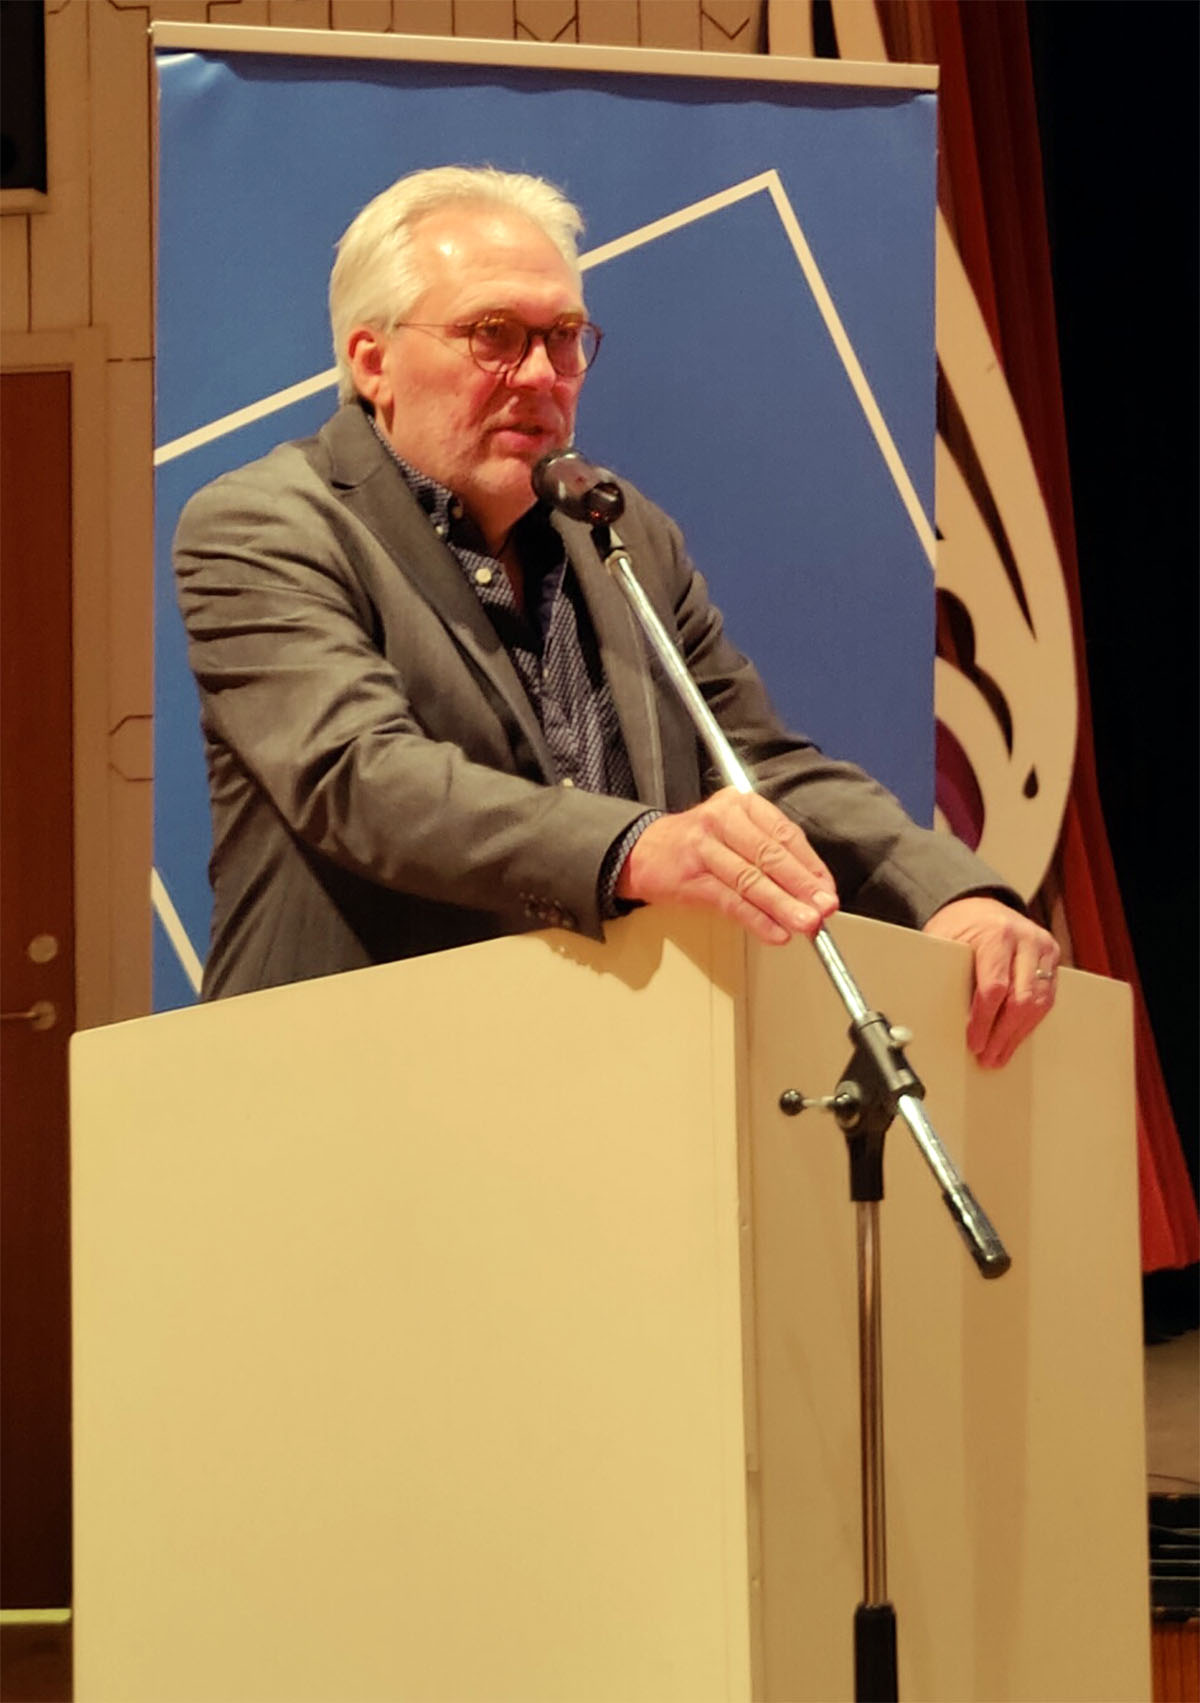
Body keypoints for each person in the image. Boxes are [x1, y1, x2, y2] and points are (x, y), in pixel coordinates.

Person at [173, 165, 1059, 1066]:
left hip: (599, 1069)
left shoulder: (618, 529)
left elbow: (753, 764)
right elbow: (359, 776)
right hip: (338, 1075)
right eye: (493, 335)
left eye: (563, 338)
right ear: (373, 361)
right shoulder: (266, 524)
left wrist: (945, 892)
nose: (540, 375)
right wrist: (637, 849)